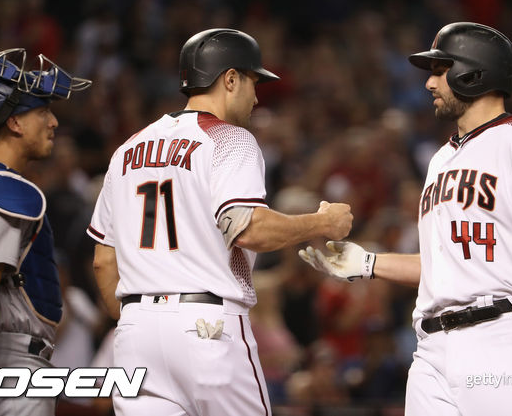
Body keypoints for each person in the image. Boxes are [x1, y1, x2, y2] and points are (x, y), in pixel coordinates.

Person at [299, 22, 512, 416]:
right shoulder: (440, 159)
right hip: (431, 351)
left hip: (501, 335)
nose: (429, 83)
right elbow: (443, 265)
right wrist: (369, 263)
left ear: (473, 73)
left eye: (440, 70)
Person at [87, 28, 352, 416]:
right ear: (229, 79)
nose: (256, 96)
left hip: (134, 332)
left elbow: (103, 261)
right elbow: (250, 229)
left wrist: (141, 319)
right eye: (252, 81)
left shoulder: (128, 149)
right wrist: (322, 222)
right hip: (206, 325)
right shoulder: (229, 139)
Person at [0, 48, 91, 416]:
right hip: (7, 361)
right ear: (15, 123)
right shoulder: (5, 190)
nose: (53, 122)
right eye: (42, 111)